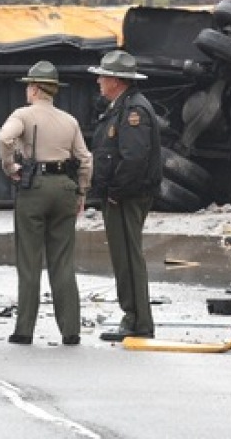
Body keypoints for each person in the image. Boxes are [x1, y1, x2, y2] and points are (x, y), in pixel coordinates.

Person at [0, 61, 93, 346]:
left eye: (29, 85)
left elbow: (4, 137)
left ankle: (24, 329)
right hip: (64, 187)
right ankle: (70, 330)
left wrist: (9, 166)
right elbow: (86, 159)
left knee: (29, 261)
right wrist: (82, 191)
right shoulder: (70, 120)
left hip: (34, 187)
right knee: (62, 261)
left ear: (36, 88)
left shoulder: (23, 115)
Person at [87, 50, 162, 342]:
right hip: (123, 194)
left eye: (103, 76)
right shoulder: (123, 106)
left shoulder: (134, 111)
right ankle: (133, 316)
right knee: (124, 256)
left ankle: (137, 319)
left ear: (116, 80)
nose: (98, 82)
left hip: (127, 196)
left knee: (128, 257)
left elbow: (133, 158)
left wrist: (117, 191)